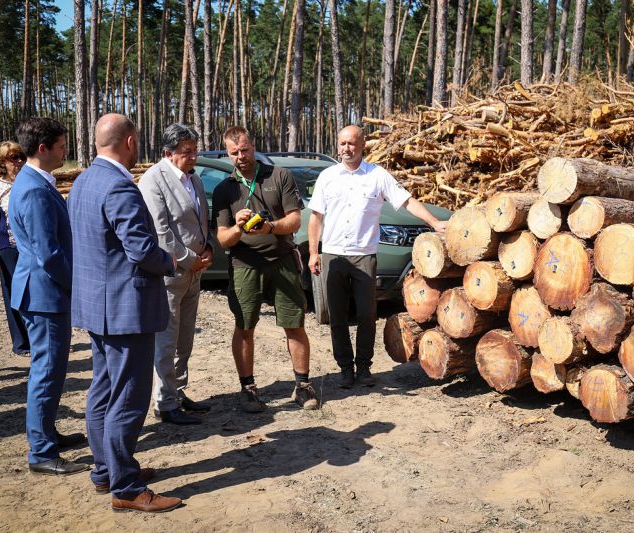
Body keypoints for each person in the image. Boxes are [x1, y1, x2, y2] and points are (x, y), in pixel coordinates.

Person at [68, 114, 181, 512]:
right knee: (129, 396)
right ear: (130, 141)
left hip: (98, 307)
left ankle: (107, 470)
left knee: (103, 389)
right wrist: (171, 261)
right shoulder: (119, 186)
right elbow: (141, 251)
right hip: (125, 309)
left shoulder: (83, 180)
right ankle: (127, 489)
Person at [307, 125, 447, 388]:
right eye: (342, 143)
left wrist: (433, 222)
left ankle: (364, 367)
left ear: (363, 146)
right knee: (336, 316)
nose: (346, 148)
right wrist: (314, 253)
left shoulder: (377, 176)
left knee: (366, 315)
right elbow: (316, 218)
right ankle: (345, 369)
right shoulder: (327, 177)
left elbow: (407, 201)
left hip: (364, 257)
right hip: (333, 256)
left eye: (351, 144)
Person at [212, 126, 318, 412]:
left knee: (294, 323)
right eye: (234, 153)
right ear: (227, 153)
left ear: (254, 146)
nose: (240, 157)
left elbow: (295, 220)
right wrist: (238, 226)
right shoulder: (225, 189)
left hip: (282, 260)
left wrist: (269, 227)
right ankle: (248, 388)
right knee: (244, 326)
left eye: (245, 150)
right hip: (244, 264)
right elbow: (222, 238)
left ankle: (303, 385)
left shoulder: (279, 175)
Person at [9, 118, 86, 476]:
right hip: (44, 294)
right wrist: (77, 286)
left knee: (52, 371)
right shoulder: (35, 189)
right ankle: (40, 451)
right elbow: (49, 253)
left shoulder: (34, 181)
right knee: (46, 371)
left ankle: (47, 434)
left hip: (42, 292)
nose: (65, 151)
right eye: (61, 145)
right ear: (43, 149)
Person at [138, 124, 214, 426]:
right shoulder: (153, 180)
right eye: (186, 153)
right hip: (171, 275)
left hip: (194, 272)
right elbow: (160, 232)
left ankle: (177, 392)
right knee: (166, 341)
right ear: (169, 153)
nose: (193, 157)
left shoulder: (192, 179)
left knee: (185, 339)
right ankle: (164, 402)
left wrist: (207, 247)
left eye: (195, 151)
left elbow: (200, 218)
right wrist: (188, 260)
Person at [0, 141, 30, 356]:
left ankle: (37, 337)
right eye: (13, 158)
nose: (19, 161)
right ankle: (21, 344)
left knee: (34, 292)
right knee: (13, 295)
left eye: (21, 156)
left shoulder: (29, 182)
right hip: (8, 248)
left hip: (30, 247)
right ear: (3, 162)